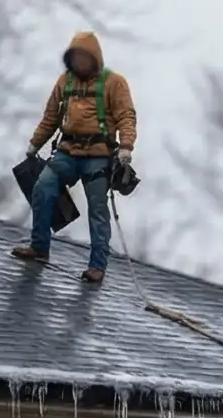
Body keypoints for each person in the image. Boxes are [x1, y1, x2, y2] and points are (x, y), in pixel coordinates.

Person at [18, 30, 136, 284]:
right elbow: (51, 117)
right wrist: (34, 144)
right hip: (67, 151)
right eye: (76, 57)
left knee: (97, 208)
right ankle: (39, 247)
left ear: (95, 58)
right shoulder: (65, 82)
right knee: (43, 188)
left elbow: (127, 115)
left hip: (98, 156)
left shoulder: (114, 83)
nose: (80, 62)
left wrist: (126, 146)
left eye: (85, 57)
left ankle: (97, 266)